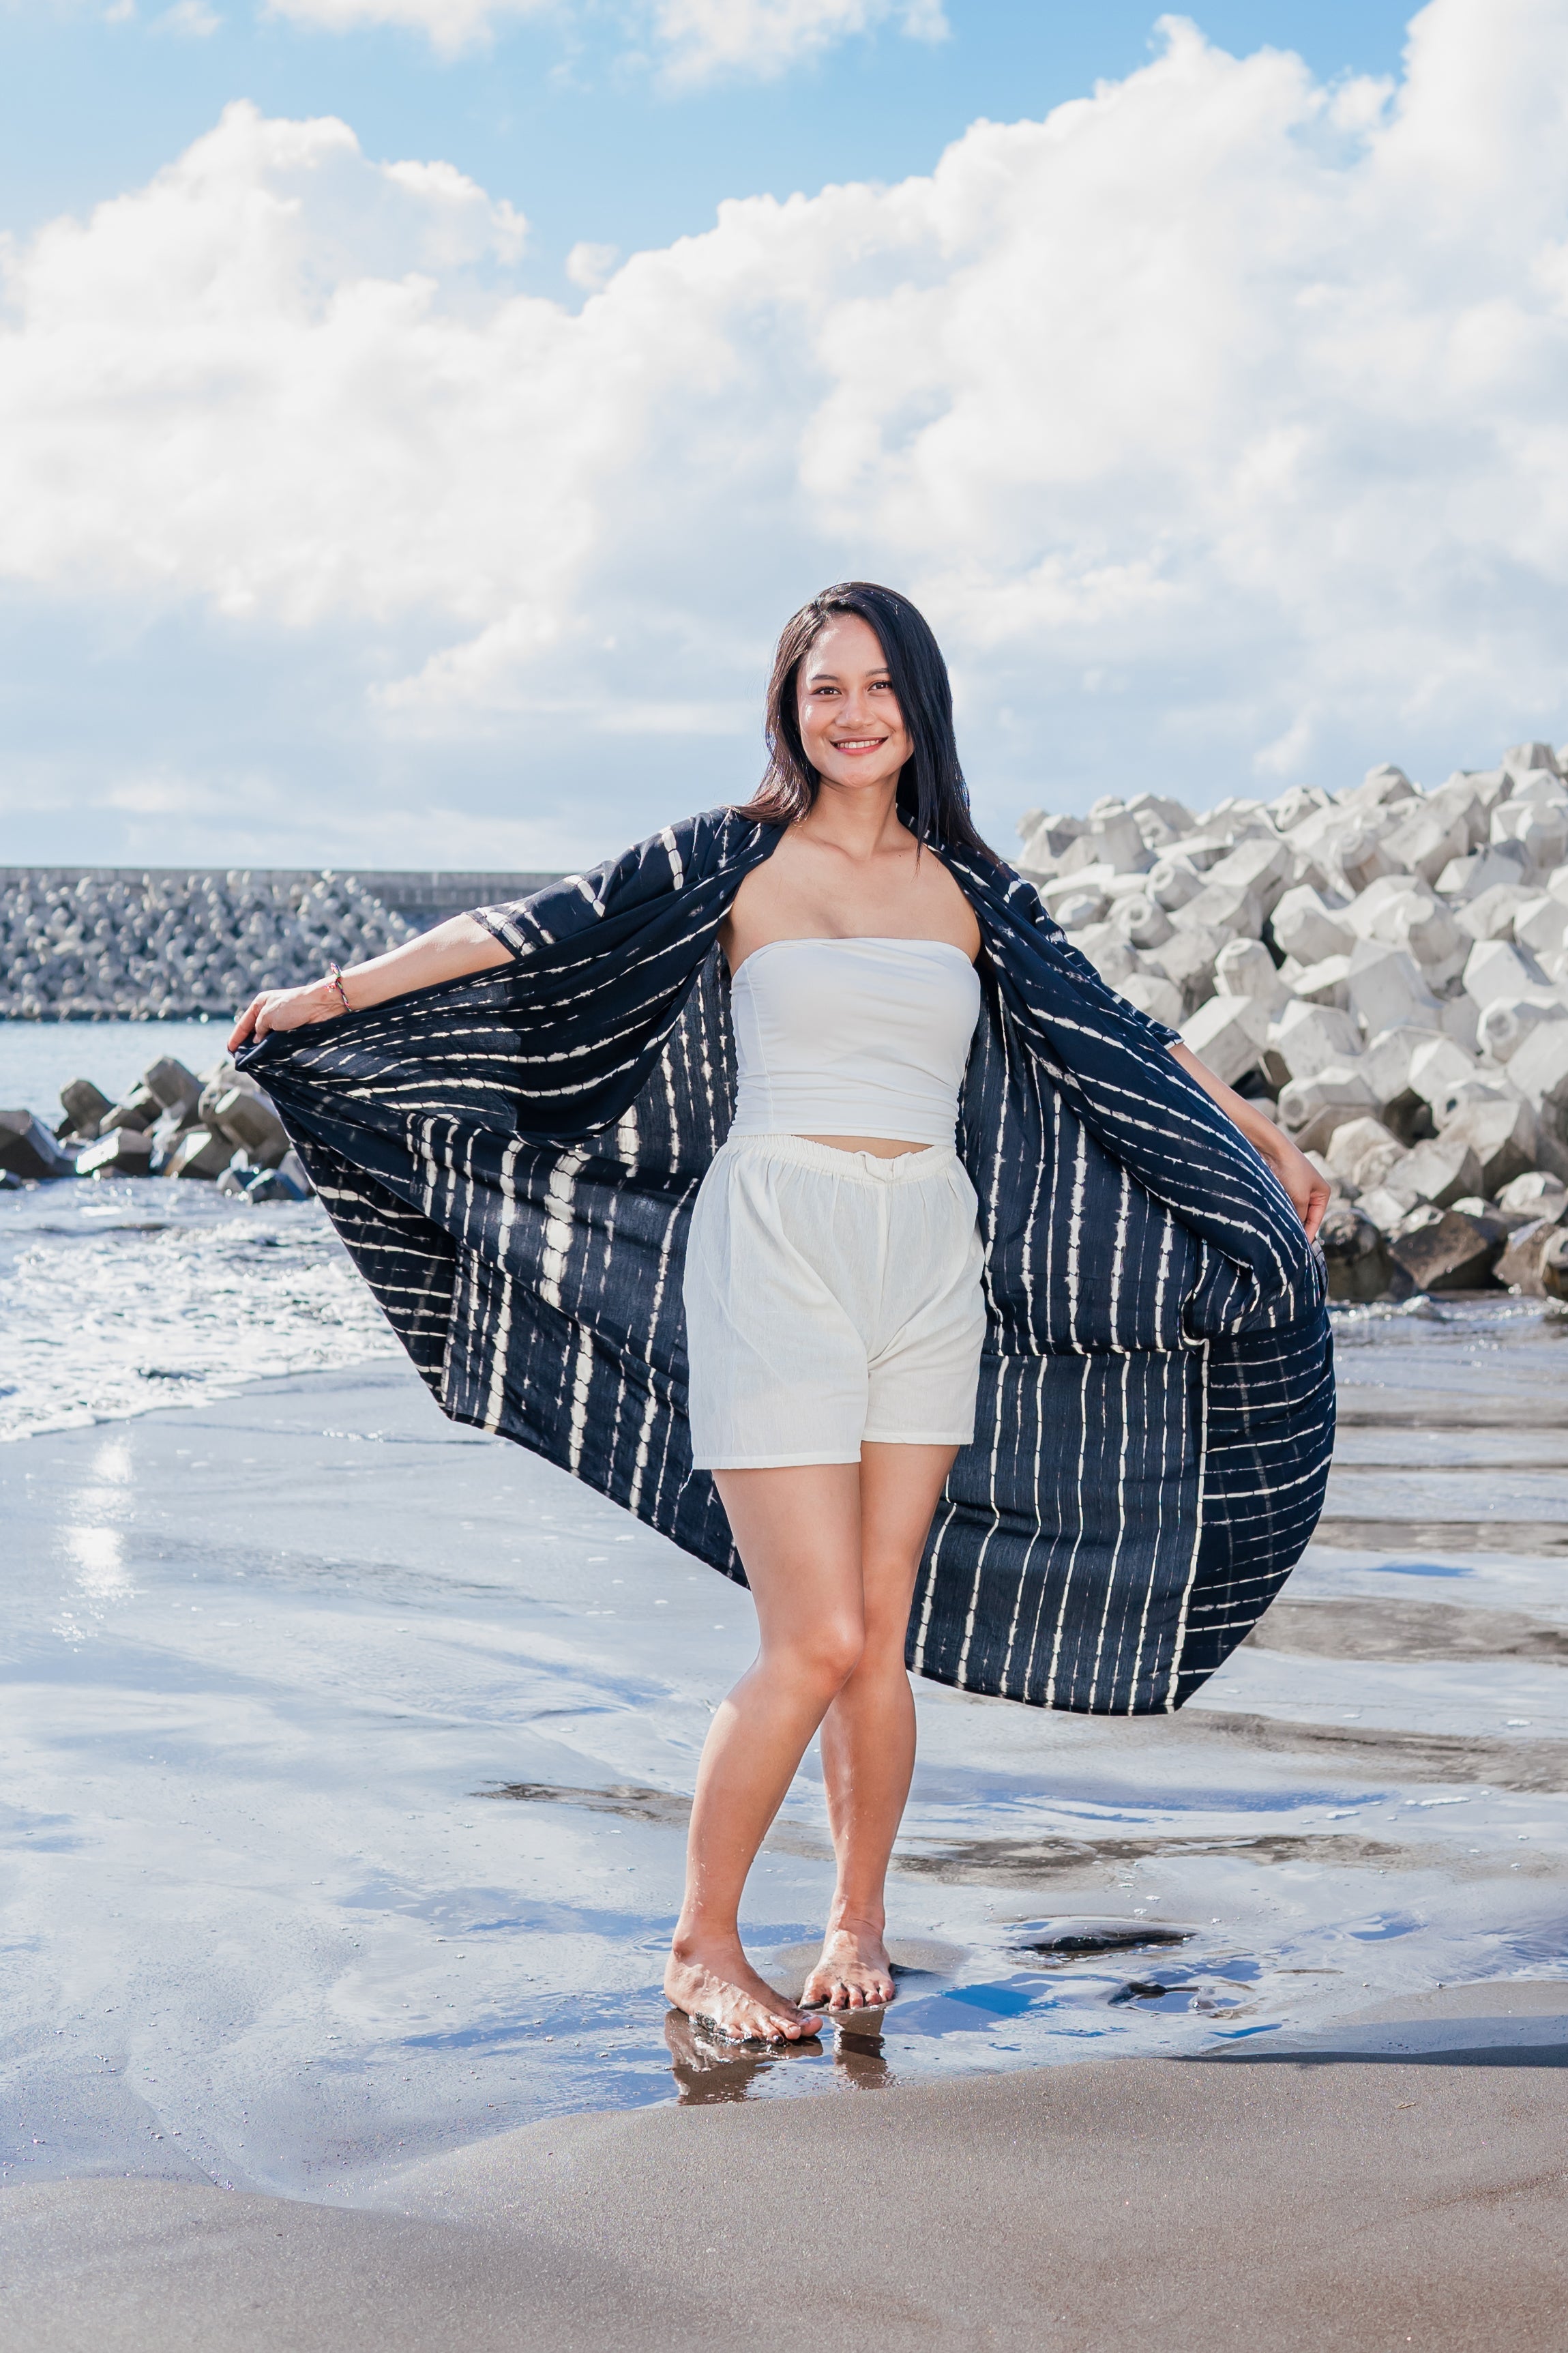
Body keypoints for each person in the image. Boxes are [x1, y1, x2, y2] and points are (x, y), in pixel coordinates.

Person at [233, 582, 1332, 2049]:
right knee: (809, 1637)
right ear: (789, 708)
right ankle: (699, 1945)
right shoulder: (726, 860)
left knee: (875, 1634)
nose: (854, 712)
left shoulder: (966, 888)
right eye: (826, 689)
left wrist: (1249, 1128)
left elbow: (1111, 1031)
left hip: (927, 1256)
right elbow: (527, 936)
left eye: (879, 687)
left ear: (918, 707)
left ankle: (854, 1924)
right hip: (777, 1247)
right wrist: (332, 993)